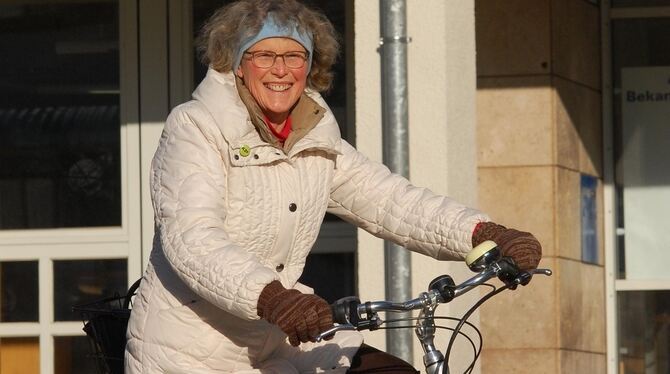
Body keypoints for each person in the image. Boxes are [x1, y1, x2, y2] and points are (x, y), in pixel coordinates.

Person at [124, 0, 542, 373]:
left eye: (295, 56)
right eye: (264, 55)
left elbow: (390, 201)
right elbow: (193, 239)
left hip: (279, 339)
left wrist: (485, 233)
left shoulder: (315, 137)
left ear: (311, 66)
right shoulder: (196, 127)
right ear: (235, 63)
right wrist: (273, 298)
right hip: (192, 352)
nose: (281, 70)